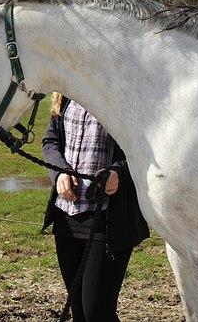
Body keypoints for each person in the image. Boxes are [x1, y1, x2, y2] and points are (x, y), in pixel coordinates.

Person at [42, 93, 149, 322]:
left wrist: (119, 173)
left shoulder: (121, 97)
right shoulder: (65, 95)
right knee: (79, 312)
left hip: (108, 219)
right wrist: (59, 171)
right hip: (67, 218)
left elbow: (146, 150)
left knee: (97, 313)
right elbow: (50, 142)